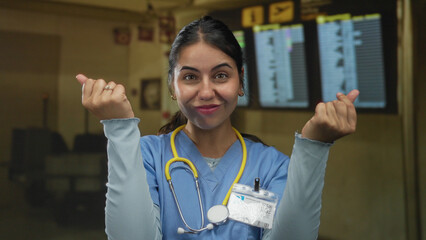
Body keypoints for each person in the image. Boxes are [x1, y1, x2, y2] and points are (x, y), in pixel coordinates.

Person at [76, 16, 359, 240]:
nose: (207, 91)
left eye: (221, 75)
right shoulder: (146, 155)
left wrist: (313, 147)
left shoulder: (271, 166)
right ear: (172, 87)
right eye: (190, 77)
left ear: (240, 82)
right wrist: (120, 130)